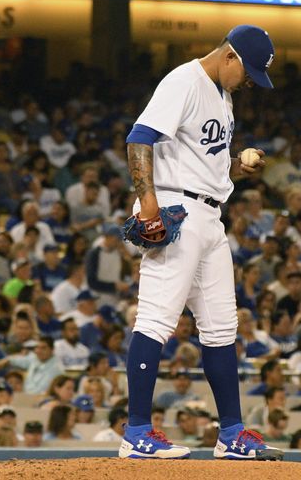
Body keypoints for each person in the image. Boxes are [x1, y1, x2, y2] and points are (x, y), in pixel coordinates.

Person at [120, 25, 281, 460]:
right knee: (155, 321)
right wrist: (147, 201)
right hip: (175, 208)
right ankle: (136, 431)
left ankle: (231, 434)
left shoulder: (223, 98)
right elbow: (140, 138)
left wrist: (236, 164)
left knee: (222, 329)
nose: (249, 82)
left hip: (210, 215)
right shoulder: (184, 81)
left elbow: (205, 164)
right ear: (229, 55)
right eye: (247, 72)